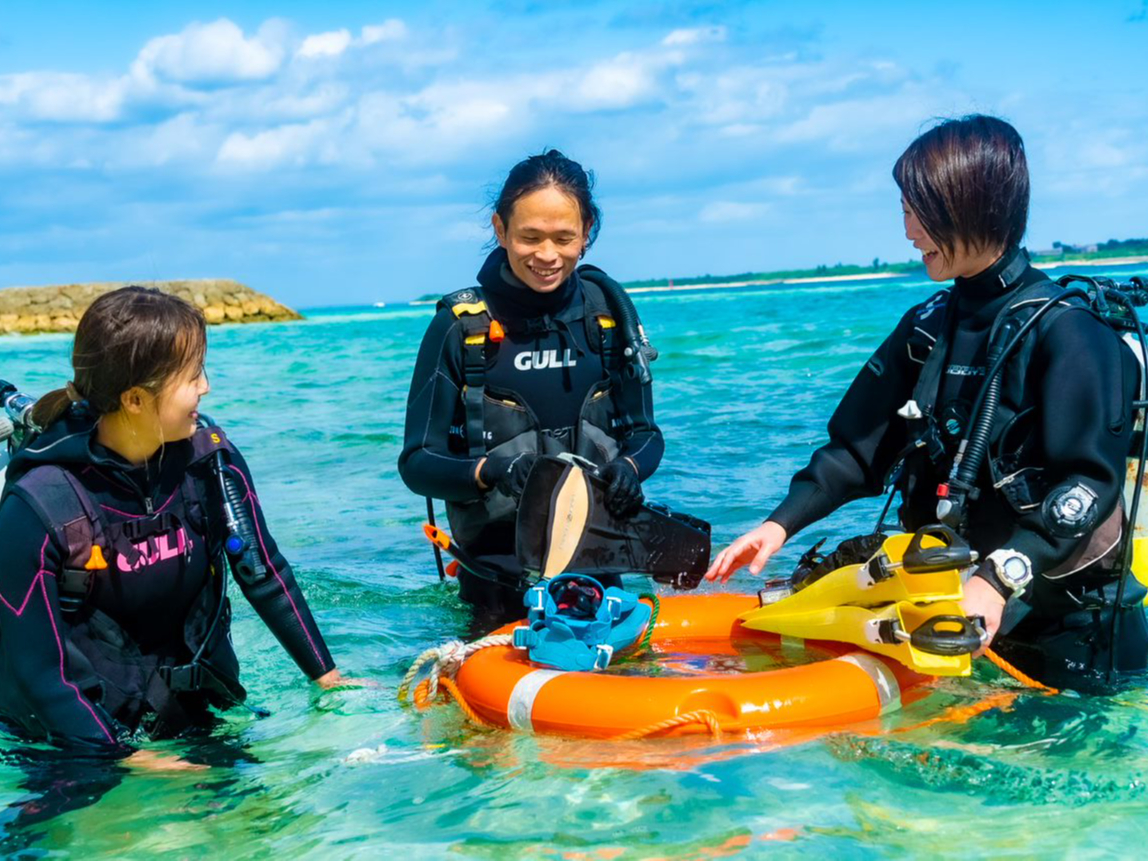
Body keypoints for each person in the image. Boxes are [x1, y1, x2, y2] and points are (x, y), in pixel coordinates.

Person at [707, 115, 1147, 692]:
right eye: (905, 208)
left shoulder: (1070, 335)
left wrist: (997, 578)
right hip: (958, 622)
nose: (908, 229)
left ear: (970, 208)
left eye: (917, 210)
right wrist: (778, 525)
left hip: (1074, 635)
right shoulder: (927, 328)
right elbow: (855, 452)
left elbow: (1087, 484)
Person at [0, 286, 353, 755]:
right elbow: (40, 671)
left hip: (193, 712)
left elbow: (263, 571)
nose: (205, 387)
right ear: (135, 400)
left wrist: (329, 680)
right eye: (192, 376)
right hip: (76, 740)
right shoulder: (40, 505)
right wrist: (133, 762)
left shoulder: (209, 464)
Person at [399, 150, 664, 621]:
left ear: (587, 234)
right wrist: (491, 472)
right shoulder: (461, 328)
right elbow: (417, 463)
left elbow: (646, 434)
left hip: (600, 578)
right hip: (494, 588)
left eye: (564, 238)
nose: (547, 255)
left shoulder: (607, 317)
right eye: (530, 237)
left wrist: (629, 467)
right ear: (501, 230)